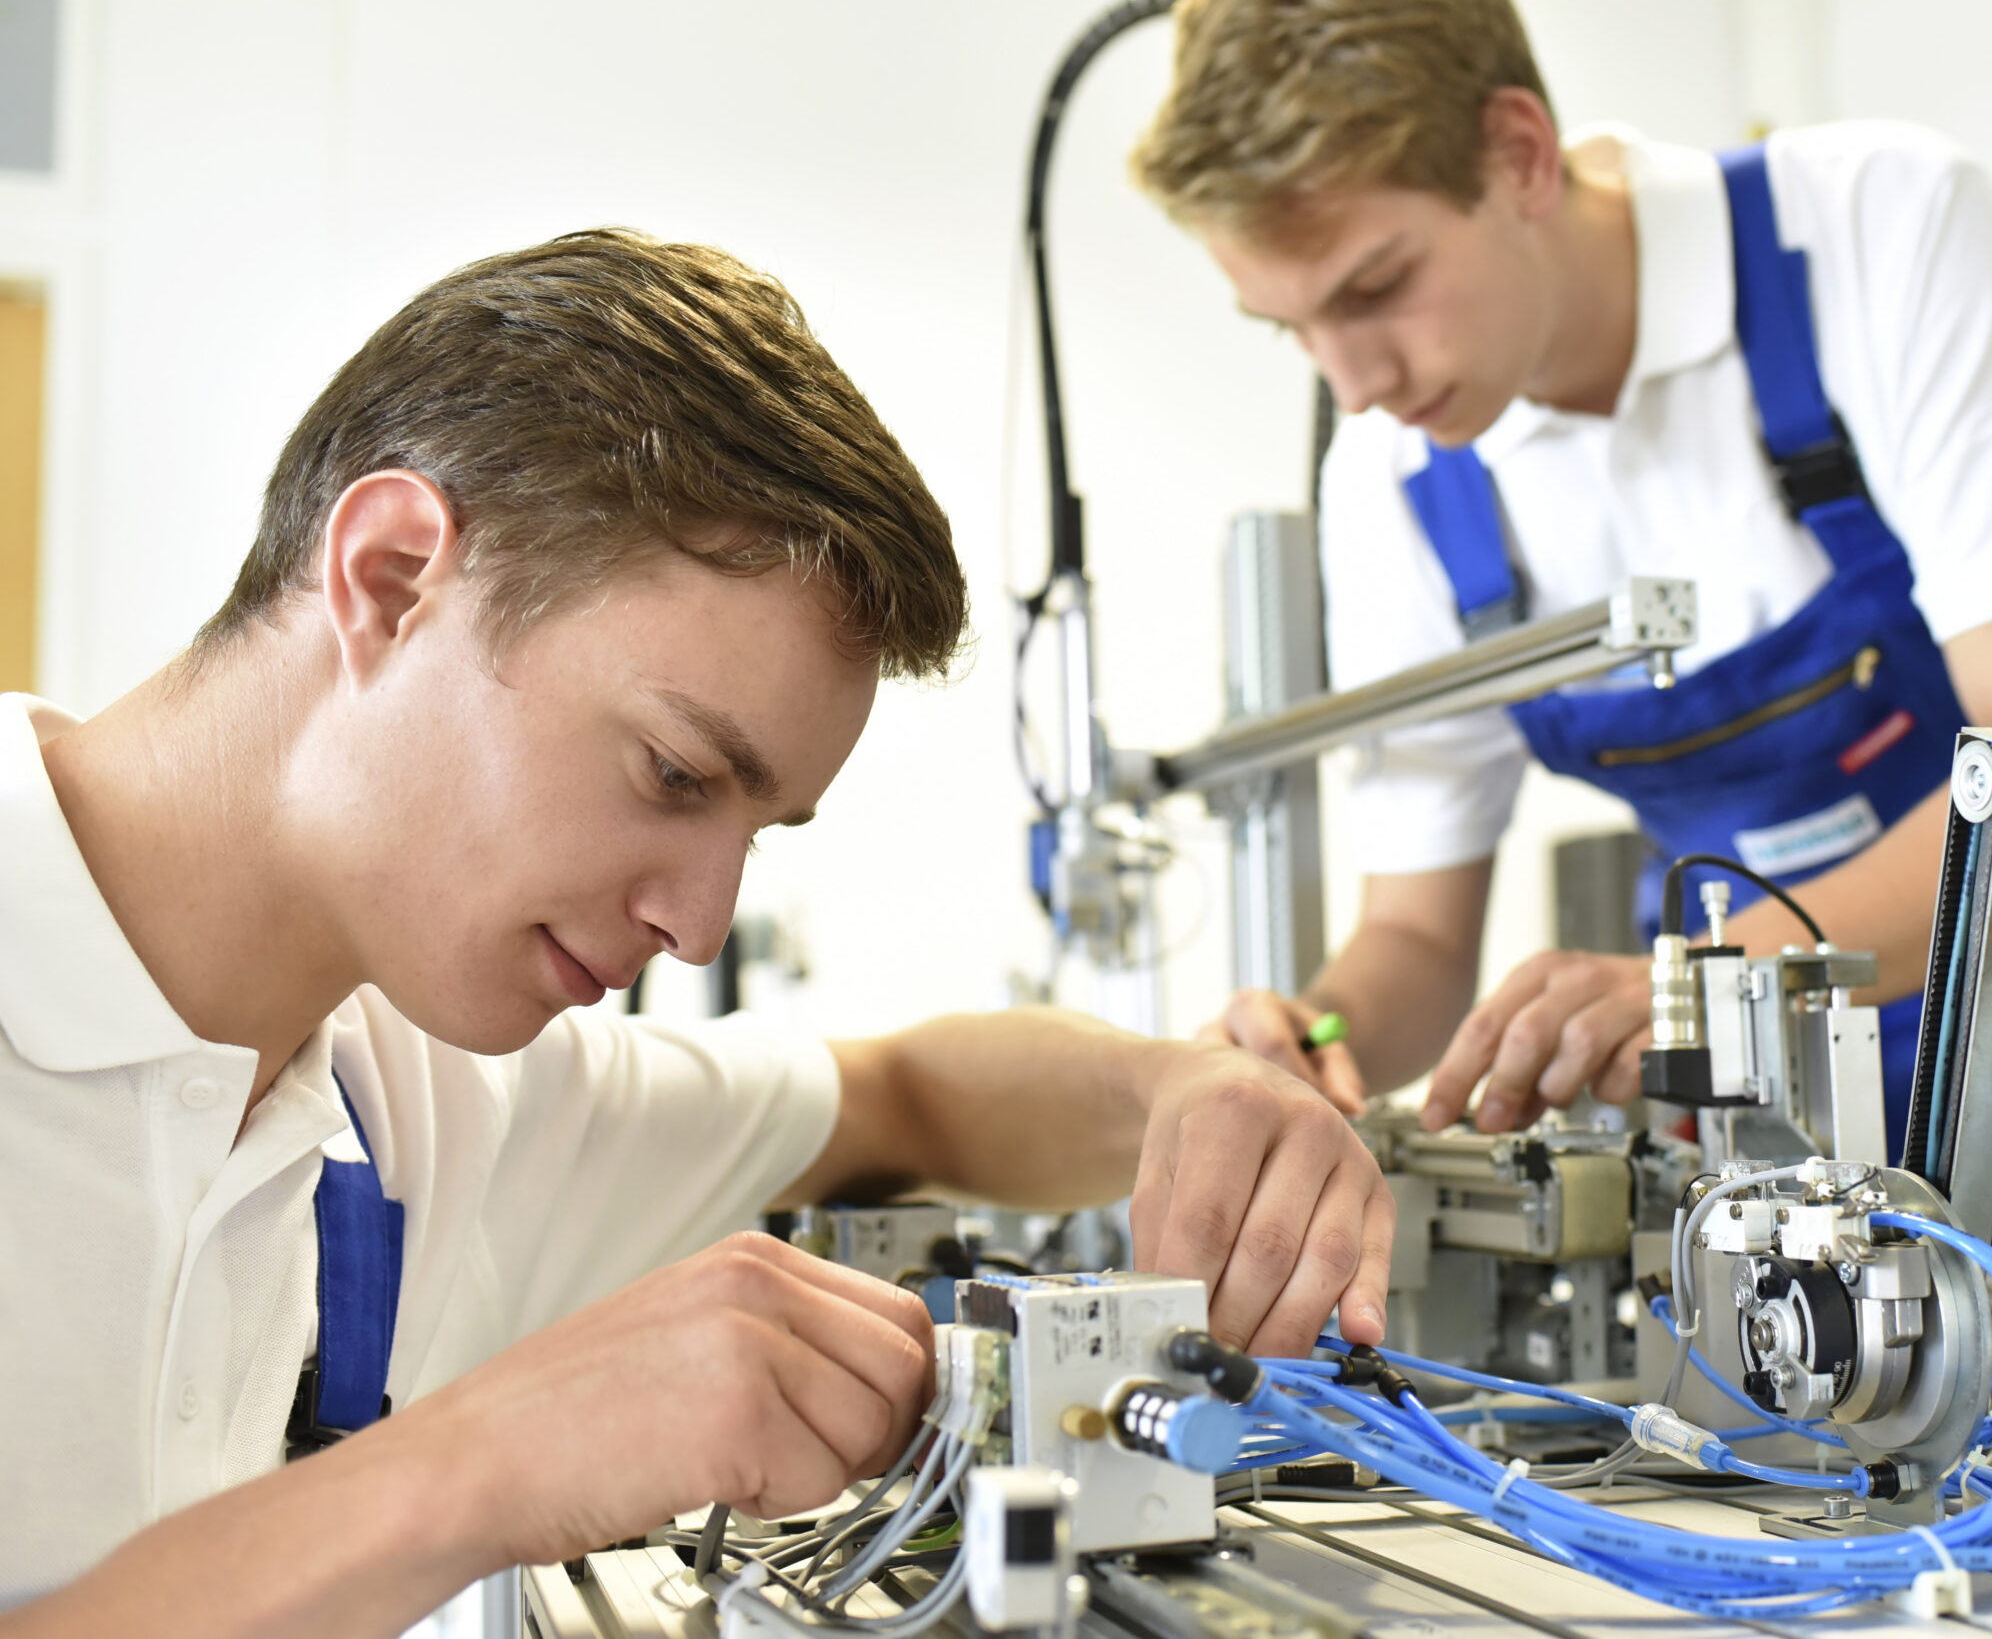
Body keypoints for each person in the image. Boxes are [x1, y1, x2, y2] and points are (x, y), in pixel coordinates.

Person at [0, 231, 1393, 1636]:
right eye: (673, 774)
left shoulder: (413, 1091)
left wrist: (1193, 1089)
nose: (697, 918)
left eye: (755, 832)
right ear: (391, 577)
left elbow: (906, 1091)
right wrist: (483, 1460)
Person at [1134, 0, 1992, 1267]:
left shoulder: (1875, 231)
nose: (1356, 379)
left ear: (1521, 153)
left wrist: (1704, 982)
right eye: (1292, 332)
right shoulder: (1391, 474)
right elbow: (1416, 937)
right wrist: (1306, 1042)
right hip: (1763, 1158)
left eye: (1376, 287)